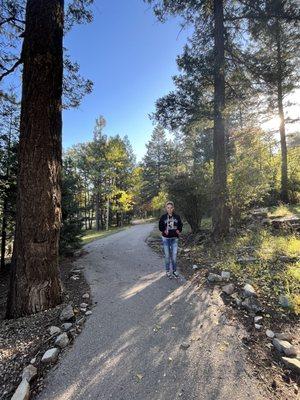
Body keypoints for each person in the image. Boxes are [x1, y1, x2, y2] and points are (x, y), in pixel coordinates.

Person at [158, 201, 183, 278]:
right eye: (168, 208)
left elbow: (180, 225)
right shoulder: (163, 217)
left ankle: (175, 271)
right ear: (166, 208)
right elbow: (160, 226)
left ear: (173, 208)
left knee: (174, 255)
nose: (169, 209)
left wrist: (179, 230)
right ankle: (168, 271)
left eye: (171, 208)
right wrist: (164, 230)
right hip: (166, 239)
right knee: (167, 256)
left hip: (174, 238)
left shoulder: (177, 217)